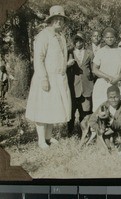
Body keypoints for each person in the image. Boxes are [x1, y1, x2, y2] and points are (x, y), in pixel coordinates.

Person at [25, 5, 73, 149]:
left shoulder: (61, 37)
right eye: (56, 19)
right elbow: (38, 59)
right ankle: (41, 140)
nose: (59, 21)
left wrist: (65, 66)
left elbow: (59, 58)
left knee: (53, 108)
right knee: (42, 108)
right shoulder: (43, 35)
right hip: (46, 77)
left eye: (61, 19)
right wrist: (44, 78)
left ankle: (48, 137)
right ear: (50, 20)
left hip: (58, 78)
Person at [92, 27, 121, 112]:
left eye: (112, 37)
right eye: (107, 37)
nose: (110, 39)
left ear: (115, 38)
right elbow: (94, 69)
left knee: (119, 110)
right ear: (104, 38)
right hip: (103, 84)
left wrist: (118, 78)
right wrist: (108, 77)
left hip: (118, 83)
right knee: (102, 110)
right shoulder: (100, 52)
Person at [67, 32, 94, 137]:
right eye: (76, 40)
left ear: (84, 41)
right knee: (71, 111)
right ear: (74, 42)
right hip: (73, 87)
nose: (78, 43)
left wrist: (92, 82)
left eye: (80, 40)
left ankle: (84, 132)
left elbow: (93, 69)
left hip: (87, 86)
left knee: (85, 111)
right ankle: (70, 132)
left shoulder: (89, 53)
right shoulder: (69, 52)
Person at [88, 85, 121, 151]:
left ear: (120, 96)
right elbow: (91, 120)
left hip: (118, 133)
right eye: (110, 97)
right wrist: (100, 129)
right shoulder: (104, 105)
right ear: (107, 98)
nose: (113, 100)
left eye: (116, 97)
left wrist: (109, 118)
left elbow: (119, 125)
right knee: (103, 151)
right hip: (105, 133)